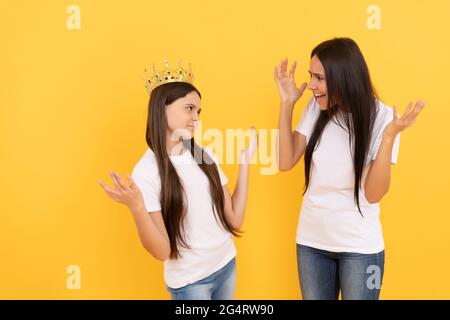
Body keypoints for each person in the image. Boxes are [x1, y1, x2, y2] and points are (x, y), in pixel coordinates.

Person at [274, 38, 426, 300]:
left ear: (343, 78)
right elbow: (285, 161)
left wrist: (389, 137)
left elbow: (373, 194)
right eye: (311, 76)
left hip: (360, 248)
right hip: (312, 243)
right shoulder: (316, 108)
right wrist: (287, 103)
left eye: (319, 78)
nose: (311, 85)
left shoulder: (383, 118)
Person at [99, 60, 257, 300]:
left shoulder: (204, 155)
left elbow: (234, 219)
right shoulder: (146, 171)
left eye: (198, 111)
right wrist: (137, 207)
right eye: (189, 108)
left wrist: (245, 163)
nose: (196, 118)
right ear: (163, 108)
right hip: (190, 283)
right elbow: (162, 251)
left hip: (226, 265)